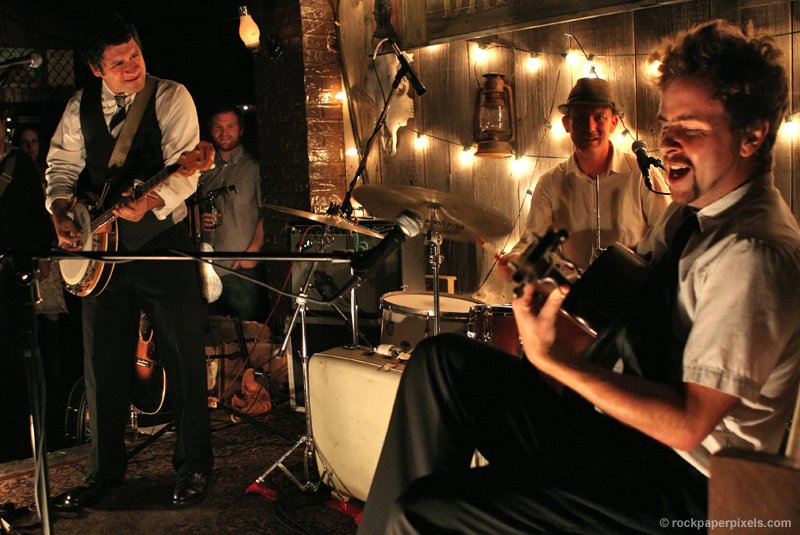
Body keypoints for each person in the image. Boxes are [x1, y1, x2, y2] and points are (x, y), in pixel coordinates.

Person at [358, 19, 800, 534]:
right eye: (666, 125)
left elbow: (687, 426)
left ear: (752, 136)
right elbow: (628, 316)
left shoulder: (752, 252)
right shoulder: (690, 217)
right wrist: (551, 306)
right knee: (443, 364)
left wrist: (553, 359)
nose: (669, 144)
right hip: (628, 439)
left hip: (690, 491)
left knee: (424, 509)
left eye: (692, 128)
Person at [45, 12, 213, 509]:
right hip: (101, 254)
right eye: (118, 62)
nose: (132, 66)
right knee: (102, 362)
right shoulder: (79, 106)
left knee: (183, 355)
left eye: (135, 55)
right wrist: (60, 210)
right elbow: (61, 166)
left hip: (162, 243)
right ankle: (103, 472)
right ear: (96, 68)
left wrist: (152, 201)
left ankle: (194, 466)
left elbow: (187, 169)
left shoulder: (171, 96)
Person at [499, 77, 670, 278]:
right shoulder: (550, 183)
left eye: (599, 117)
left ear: (613, 123)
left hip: (634, 291)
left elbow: (668, 237)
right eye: (580, 118)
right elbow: (532, 243)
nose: (590, 127)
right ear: (566, 124)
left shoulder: (641, 173)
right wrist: (517, 259)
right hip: (575, 294)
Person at [0, 125, 55, 462]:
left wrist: (44, 252)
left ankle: (23, 440)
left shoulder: (20, 163)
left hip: (16, 269)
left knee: (20, 352)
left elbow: (37, 206)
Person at [197, 102, 265, 321]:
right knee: (214, 330)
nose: (224, 132)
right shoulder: (201, 170)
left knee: (248, 329)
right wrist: (198, 220)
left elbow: (266, 214)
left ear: (241, 130)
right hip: (207, 265)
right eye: (218, 127)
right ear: (210, 130)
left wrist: (251, 253)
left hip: (241, 266)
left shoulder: (254, 167)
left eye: (230, 126)